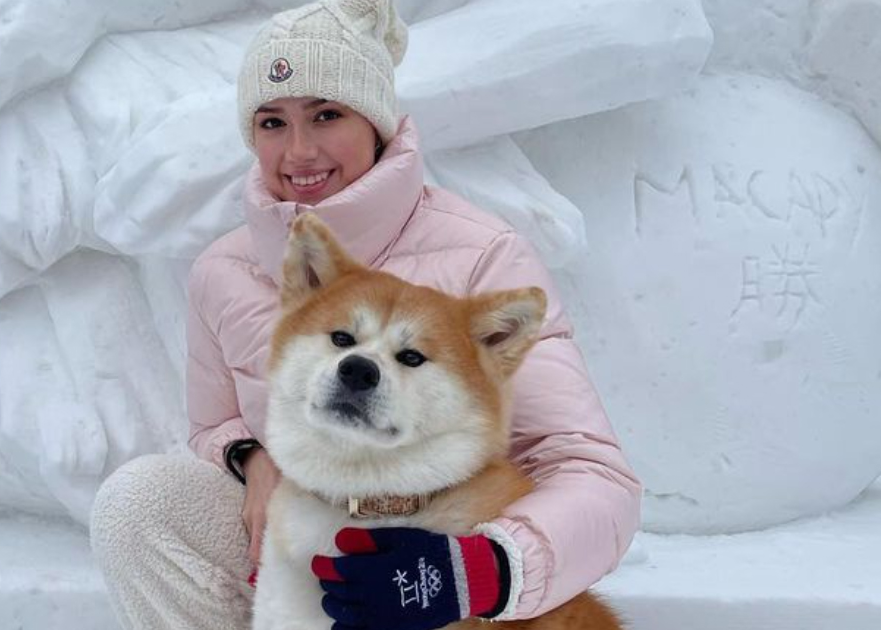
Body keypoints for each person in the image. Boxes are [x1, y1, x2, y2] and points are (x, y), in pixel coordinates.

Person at [89, 1, 641, 628]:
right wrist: (253, 458)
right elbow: (212, 425)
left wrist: (480, 569)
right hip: (299, 520)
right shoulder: (223, 269)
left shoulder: (481, 255)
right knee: (139, 506)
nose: (299, 150)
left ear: (375, 124)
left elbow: (587, 467)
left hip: (448, 534)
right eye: (272, 122)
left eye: (326, 114)